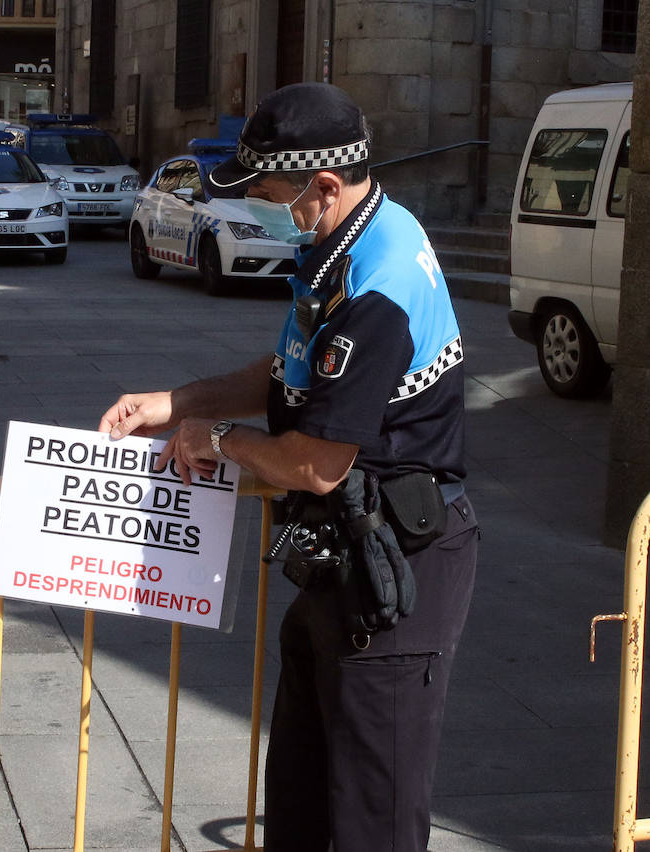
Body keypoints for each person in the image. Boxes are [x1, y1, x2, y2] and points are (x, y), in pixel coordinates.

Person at [98, 83, 478, 852]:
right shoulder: (346, 242)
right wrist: (175, 402)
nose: (267, 207)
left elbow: (315, 463)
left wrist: (221, 440)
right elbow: (289, 371)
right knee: (302, 797)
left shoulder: (380, 285)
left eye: (272, 193)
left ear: (324, 185)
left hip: (396, 575)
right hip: (342, 563)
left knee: (373, 812)